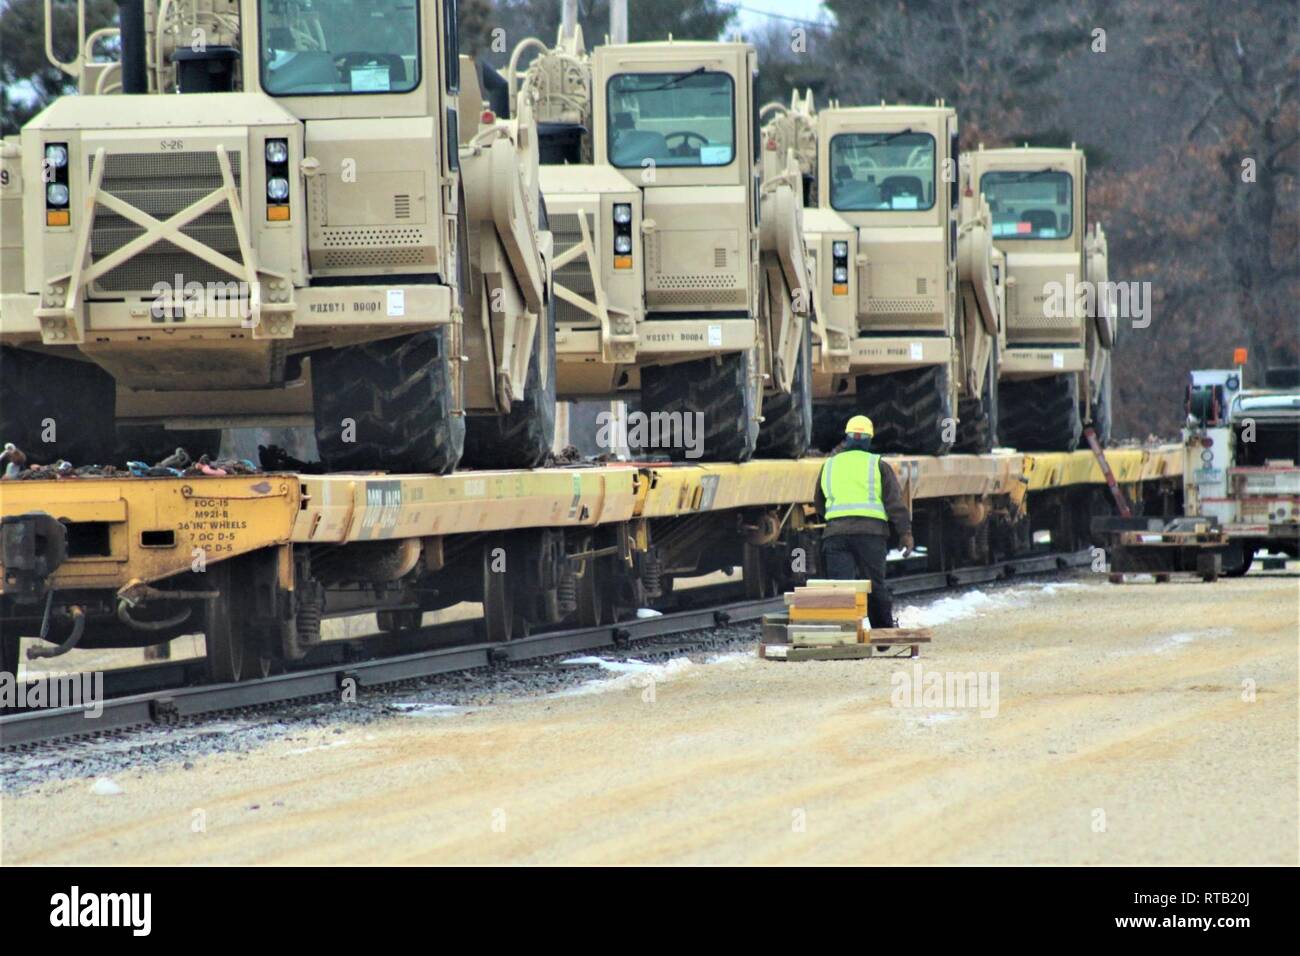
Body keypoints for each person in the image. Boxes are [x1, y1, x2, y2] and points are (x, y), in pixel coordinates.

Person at [813, 415, 914, 628]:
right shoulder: (878, 465)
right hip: (871, 536)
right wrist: (905, 532)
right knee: (874, 585)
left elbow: (819, 502)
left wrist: (835, 521)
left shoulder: (829, 465)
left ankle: (845, 634)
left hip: (836, 535)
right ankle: (883, 633)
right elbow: (894, 503)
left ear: (847, 438)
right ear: (869, 439)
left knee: (842, 589)